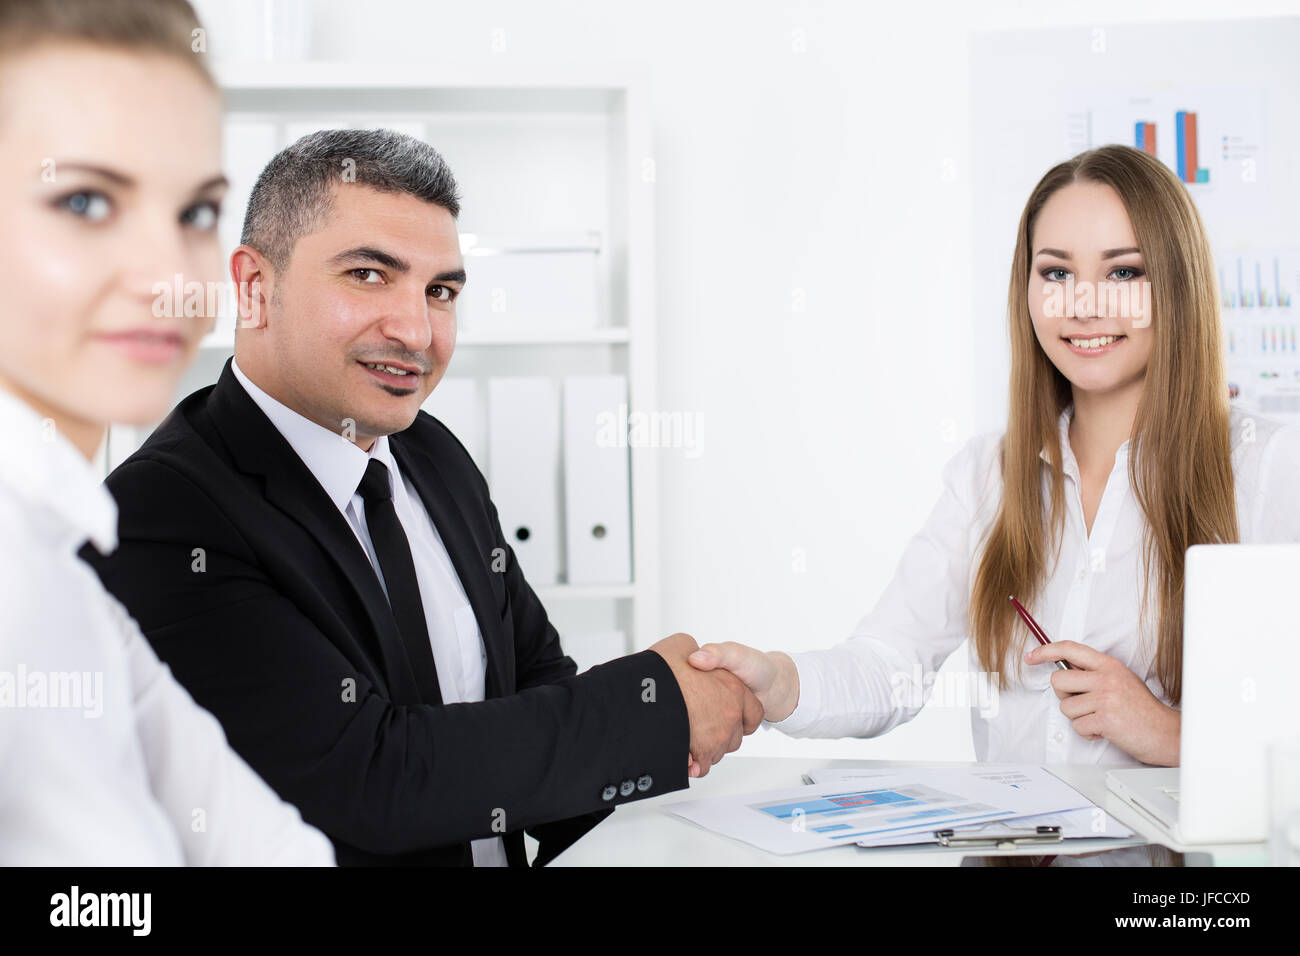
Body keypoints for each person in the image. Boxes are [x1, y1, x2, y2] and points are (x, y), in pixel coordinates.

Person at [86, 127, 763, 867]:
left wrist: (672, 730)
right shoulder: (160, 516)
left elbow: (536, 680)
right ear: (254, 288)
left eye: (440, 291)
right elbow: (371, 780)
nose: (417, 332)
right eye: (369, 275)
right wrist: (656, 710)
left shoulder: (431, 454)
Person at [689, 144, 1300, 768]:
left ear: (1178, 285)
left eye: (1123, 272)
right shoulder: (988, 476)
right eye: (1056, 273)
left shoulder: (1267, 467)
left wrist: (1169, 733)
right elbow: (892, 661)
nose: (1083, 305)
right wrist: (780, 683)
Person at [0, 0, 333, 864]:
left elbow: (264, 847)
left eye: (193, 213)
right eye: (85, 200)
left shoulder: (64, 575)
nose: (171, 279)